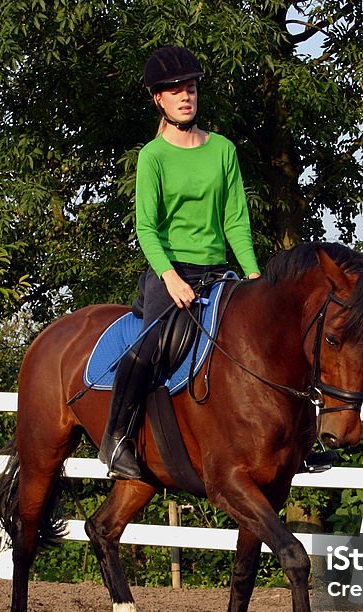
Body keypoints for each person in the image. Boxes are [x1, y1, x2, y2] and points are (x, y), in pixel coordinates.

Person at [99, 45, 261, 480]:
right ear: (159, 100)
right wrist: (170, 278)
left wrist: (254, 276)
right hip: (171, 274)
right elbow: (146, 228)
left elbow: (235, 222)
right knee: (149, 349)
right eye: (174, 91)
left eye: (189, 88)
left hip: (218, 273)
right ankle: (116, 440)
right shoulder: (153, 156)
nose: (185, 96)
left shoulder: (223, 149)